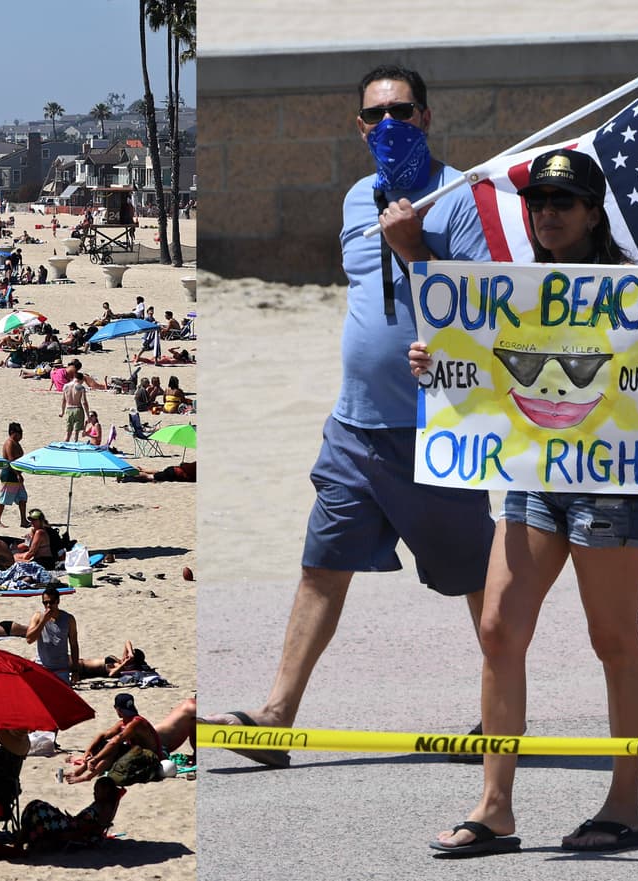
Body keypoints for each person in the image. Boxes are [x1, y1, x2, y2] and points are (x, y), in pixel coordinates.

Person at [201, 64, 498, 768]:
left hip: (436, 432)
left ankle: (499, 715)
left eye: (403, 110)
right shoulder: (354, 200)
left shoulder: (462, 200)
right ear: (359, 127)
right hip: (355, 427)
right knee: (321, 566)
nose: (389, 124)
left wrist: (416, 249)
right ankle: (275, 716)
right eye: (376, 115)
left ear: (425, 117)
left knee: (476, 577)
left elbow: (483, 315)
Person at [425, 148, 638, 856]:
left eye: (562, 203)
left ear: (591, 212)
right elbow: (481, 369)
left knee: (612, 638)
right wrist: (438, 362)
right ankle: (495, 806)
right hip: (531, 473)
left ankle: (626, 803)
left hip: (609, 480)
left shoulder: (631, 288)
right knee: (497, 629)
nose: (547, 214)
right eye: (538, 203)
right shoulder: (516, 289)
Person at [62, 693, 162, 784]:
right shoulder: (122, 723)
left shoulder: (136, 723)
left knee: (113, 746)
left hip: (150, 757)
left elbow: (115, 741)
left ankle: (88, 777)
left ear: (116, 708)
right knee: (104, 745)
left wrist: (96, 759)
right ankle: (78, 772)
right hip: (135, 753)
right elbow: (102, 736)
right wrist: (87, 752)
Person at [18, 777, 123, 852]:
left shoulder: (105, 807)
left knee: (37, 806)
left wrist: (68, 834)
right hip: (70, 825)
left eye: (97, 791)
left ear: (106, 791)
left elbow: (92, 828)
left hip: (71, 830)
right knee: (36, 807)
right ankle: (21, 841)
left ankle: (19, 843)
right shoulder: (99, 803)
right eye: (94, 790)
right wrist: (72, 819)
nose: (94, 793)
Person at [25, 586, 77, 684]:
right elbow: (29, 639)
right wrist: (43, 621)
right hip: (42, 668)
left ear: (57, 601)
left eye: (51, 602)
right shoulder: (38, 617)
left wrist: (75, 670)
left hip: (62, 669)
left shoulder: (69, 619)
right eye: (45, 603)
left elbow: (74, 645)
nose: (48, 606)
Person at [0, 422, 29, 529]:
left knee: (23, 498)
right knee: (4, 499)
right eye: (19, 433)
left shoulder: (16, 443)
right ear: (12, 433)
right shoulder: (9, 443)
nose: (21, 435)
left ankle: (23, 520)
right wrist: (18, 474)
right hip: (9, 475)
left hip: (16, 475)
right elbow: (11, 460)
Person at [73, 642, 150, 680]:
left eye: (129, 657)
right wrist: (130, 652)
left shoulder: (122, 668)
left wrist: (124, 663)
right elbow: (127, 642)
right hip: (78, 661)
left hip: (79, 667)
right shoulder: (121, 660)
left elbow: (111, 674)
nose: (126, 656)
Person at [59, 371, 90, 442]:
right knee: (76, 434)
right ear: (81, 379)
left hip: (69, 409)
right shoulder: (81, 387)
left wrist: (62, 412)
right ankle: (74, 448)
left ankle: (64, 449)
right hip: (78, 409)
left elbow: (63, 400)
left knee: (68, 433)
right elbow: (84, 402)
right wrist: (88, 415)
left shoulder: (66, 386)